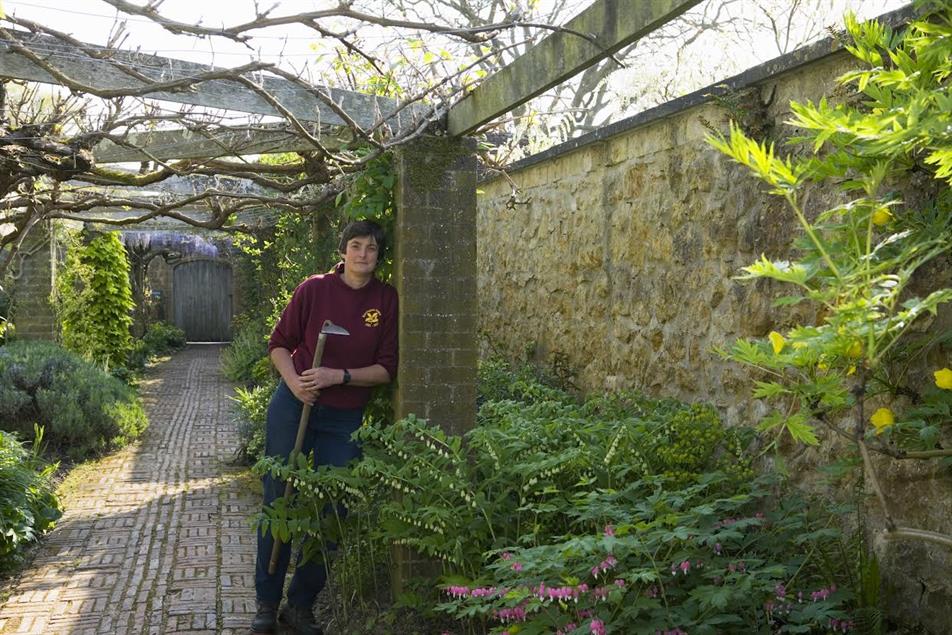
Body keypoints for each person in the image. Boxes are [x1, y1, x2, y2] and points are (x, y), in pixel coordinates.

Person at [251, 220, 397, 635]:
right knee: (277, 498)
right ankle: (266, 600)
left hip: (343, 417)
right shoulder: (313, 289)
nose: (363, 254)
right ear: (343, 249)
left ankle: (300, 605)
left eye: (371, 247)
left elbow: (386, 369)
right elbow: (278, 343)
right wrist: (295, 383)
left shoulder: (385, 300)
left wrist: (339, 376)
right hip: (293, 408)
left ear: (378, 254)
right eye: (355, 245)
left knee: (333, 507)